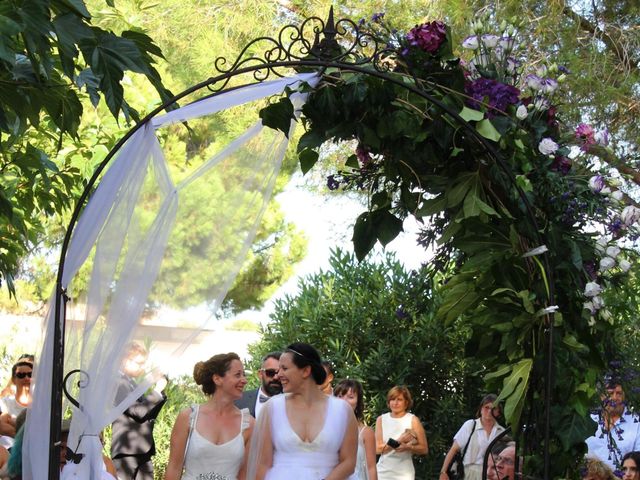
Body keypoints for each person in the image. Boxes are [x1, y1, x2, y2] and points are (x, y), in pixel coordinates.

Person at [247, 342, 358, 480]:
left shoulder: (342, 410)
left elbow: (349, 462)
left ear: (305, 371)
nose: (278, 375)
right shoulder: (272, 408)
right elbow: (262, 464)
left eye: (284, 368)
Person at [164, 352, 254, 480]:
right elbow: (174, 468)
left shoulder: (249, 424)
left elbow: (244, 474)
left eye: (243, 375)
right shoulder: (188, 417)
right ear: (217, 379)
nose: (244, 380)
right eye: (237, 375)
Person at [111, 342, 167, 480]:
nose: (143, 367)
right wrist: (156, 391)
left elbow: (148, 414)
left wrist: (160, 395)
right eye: (139, 363)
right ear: (124, 360)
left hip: (143, 449)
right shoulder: (117, 382)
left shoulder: (131, 383)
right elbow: (137, 411)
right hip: (127, 450)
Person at [440, 394, 505, 480]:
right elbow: (454, 449)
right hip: (469, 474)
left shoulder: (501, 432)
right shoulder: (470, 425)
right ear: (481, 409)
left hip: (492, 475)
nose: (489, 411)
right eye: (486, 407)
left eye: (493, 409)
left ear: (498, 412)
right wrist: (443, 472)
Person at [375, 386, 428, 480]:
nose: (395, 403)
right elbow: (378, 449)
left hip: (404, 474)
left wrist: (408, 447)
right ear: (388, 402)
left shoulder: (413, 420)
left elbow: (424, 449)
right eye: (392, 399)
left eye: (399, 399)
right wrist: (399, 441)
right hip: (382, 473)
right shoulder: (381, 419)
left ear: (406, 402)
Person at [586, 381, 640, 470]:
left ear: (624, 396)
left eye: (619, 393)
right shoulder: (588, 420)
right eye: (610, 393)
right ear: (601, 396)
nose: (614, 398)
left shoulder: (637, 424)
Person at [334, 379, 377, 480]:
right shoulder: (326, 428)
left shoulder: (366, 432)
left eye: (350, 397)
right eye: (340, 396)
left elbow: (371, 468)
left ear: (358, 402)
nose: (344, 401)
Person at [236, 352, 282, 418]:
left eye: (280, 373)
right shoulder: (239, 400)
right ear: (260, 374)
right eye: (270, 373)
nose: (276, 377)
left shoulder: (295, 402)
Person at [0, 360, 32, 451]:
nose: (26, 378)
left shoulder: (39, 406)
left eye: (30, 375)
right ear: (14, 380)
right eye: (21, 375)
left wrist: (14, 423)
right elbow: (2, 427)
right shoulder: (5, 402)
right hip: (11, 449)